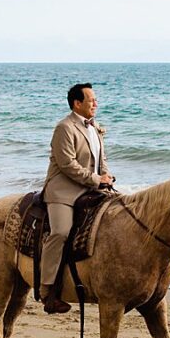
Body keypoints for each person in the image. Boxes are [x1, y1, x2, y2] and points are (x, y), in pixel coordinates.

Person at [38, 82, 115, 314]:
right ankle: (47, 290)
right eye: (91, 100)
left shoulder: (95, 128)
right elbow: (67, 165)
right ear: (77, 103)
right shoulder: (64, 127)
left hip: (91, 187)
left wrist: (106, 177)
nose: (96, 103)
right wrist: (95, 179)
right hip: (64, 190)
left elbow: (101, 161)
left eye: (96, 100)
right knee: (60, 232)